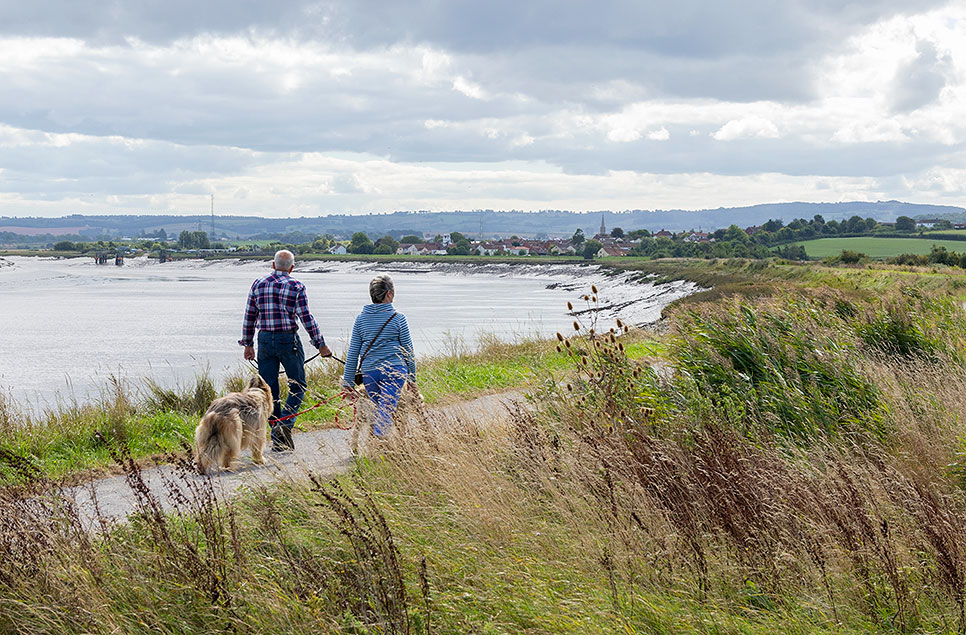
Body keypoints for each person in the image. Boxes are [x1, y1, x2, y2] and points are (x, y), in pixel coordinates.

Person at [239, 249, 331, 452]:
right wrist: (321, 345)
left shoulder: (258, 284)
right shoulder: (296, 286)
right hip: (288, 339)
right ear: (292, 268)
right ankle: (284, 426)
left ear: (273, 265)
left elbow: (249, 315)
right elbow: (306, 318)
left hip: (264, 340)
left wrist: (248, 344)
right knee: (298, 386)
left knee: (268, 391)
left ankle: (278, 434)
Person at [342, 274, 417, 437]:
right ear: (389, 293)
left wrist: (347, 382)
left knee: (381, 410)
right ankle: (380, 445)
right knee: (386, 411)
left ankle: (382, 446)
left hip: (370, 374)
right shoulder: (399, 318)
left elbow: (353, 352)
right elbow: (408, 351)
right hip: (395, 371)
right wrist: (412, 378)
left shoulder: (361, 319)